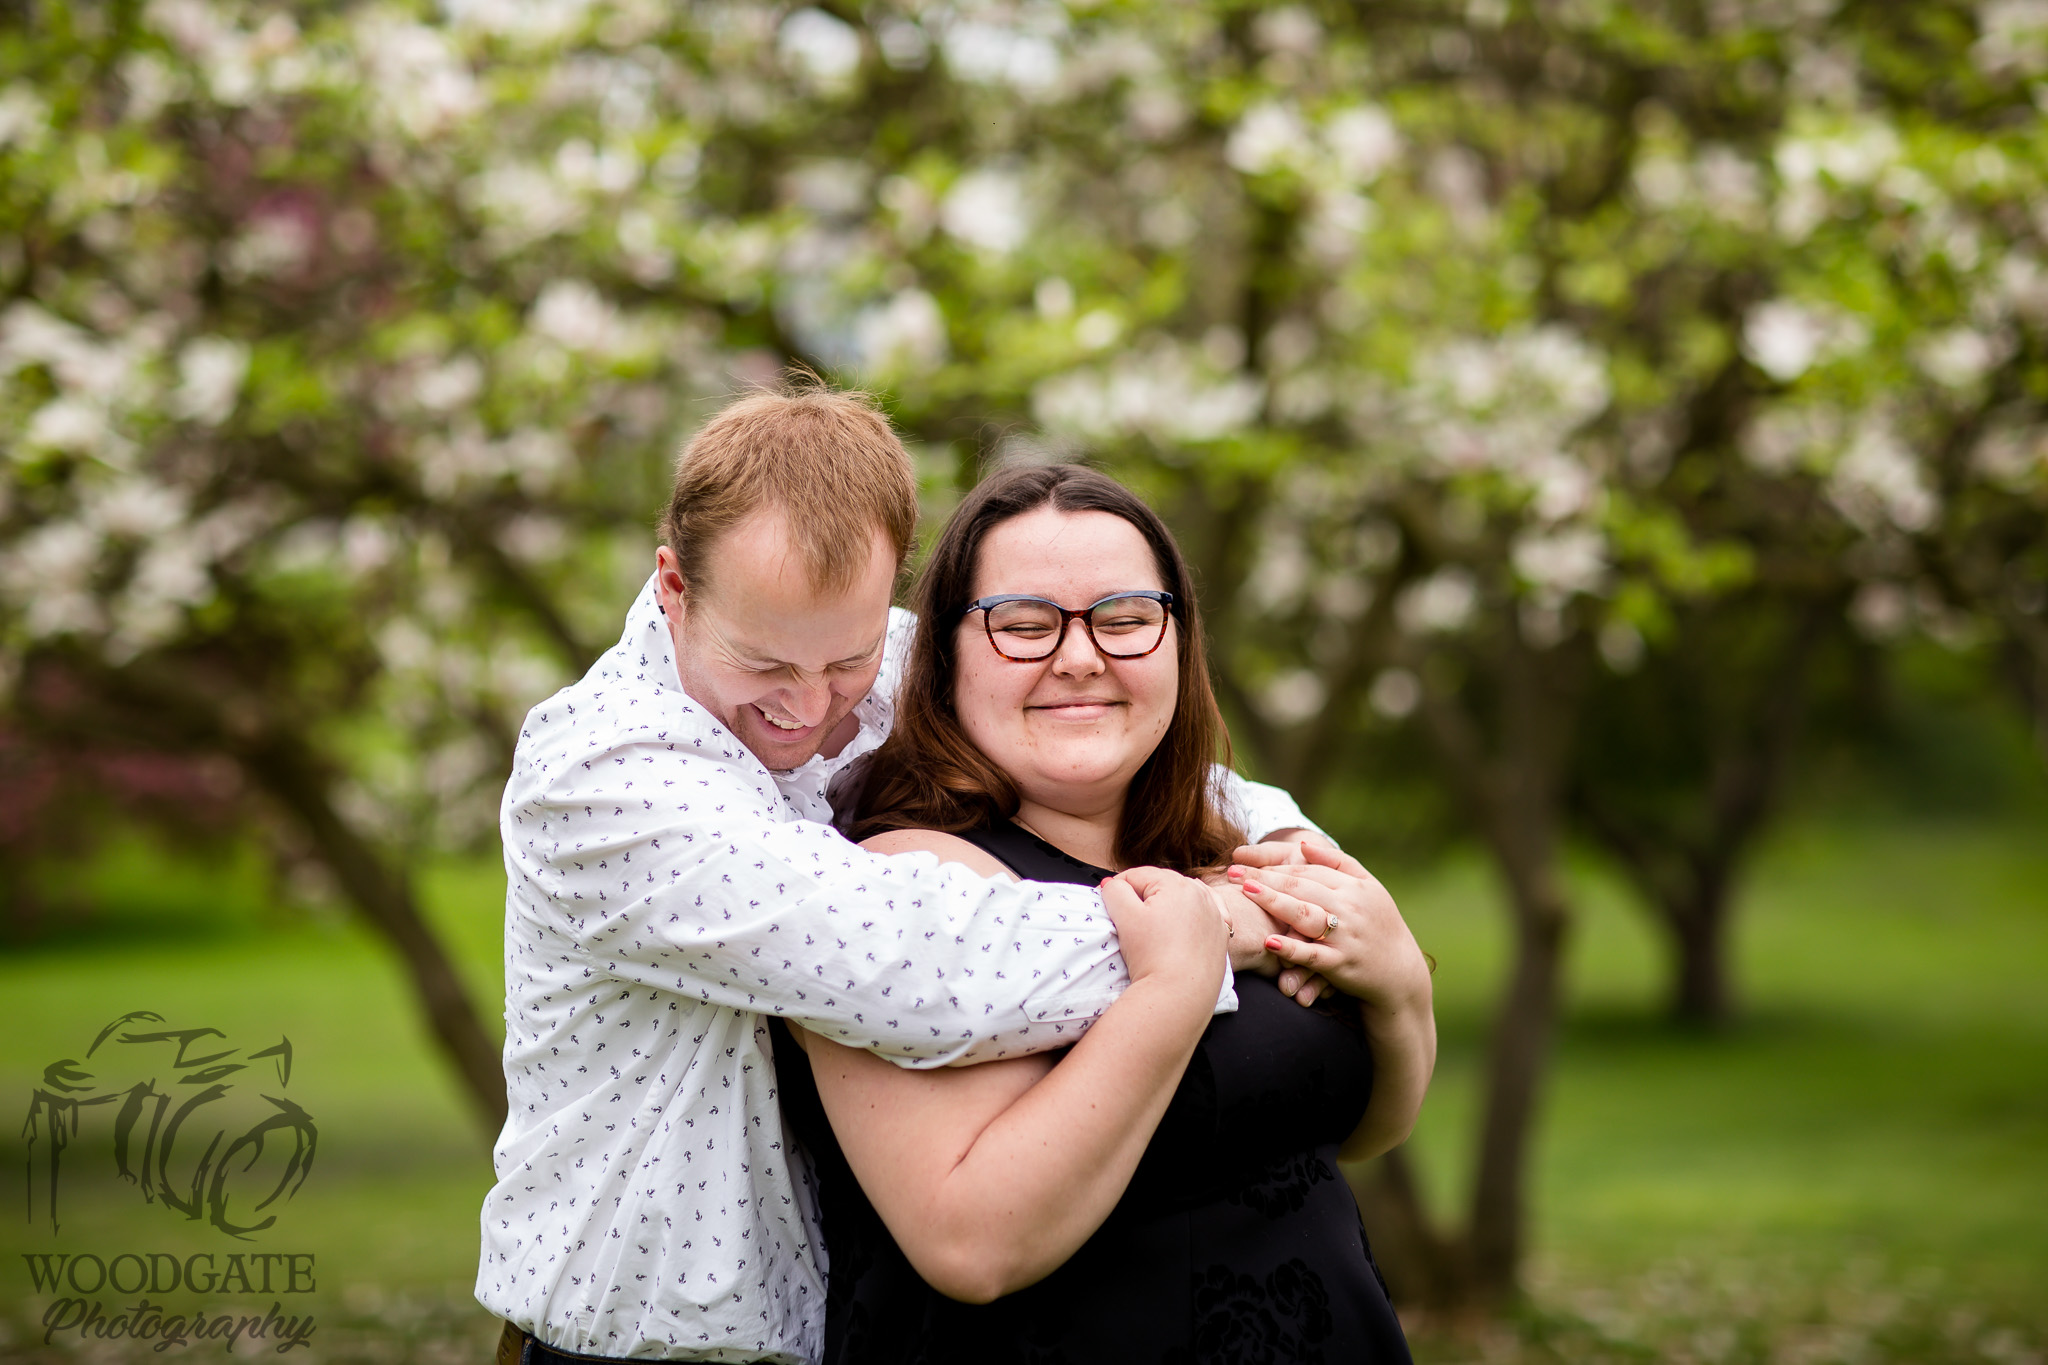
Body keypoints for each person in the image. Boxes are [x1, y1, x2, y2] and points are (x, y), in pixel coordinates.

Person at [476, 384, 1372, 1365]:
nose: (809, 709)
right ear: (674, 587)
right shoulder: (599, 778)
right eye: (763, 665)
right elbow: (908, 962)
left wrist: (1303, 870)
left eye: (846, 661)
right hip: (634, 1353)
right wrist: (1207, 936)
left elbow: (1148, 767)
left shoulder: (898, 666)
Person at [771, 464, 1436, 1363]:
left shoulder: (1237, 843)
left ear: (1176, 642)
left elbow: (1351, 1131)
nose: (1080, 657)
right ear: (944, 658)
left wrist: (1399, 992)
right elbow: (973, 1243)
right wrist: (1172, 986)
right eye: (1024, 624)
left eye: (1124, 619)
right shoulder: (901, 887)